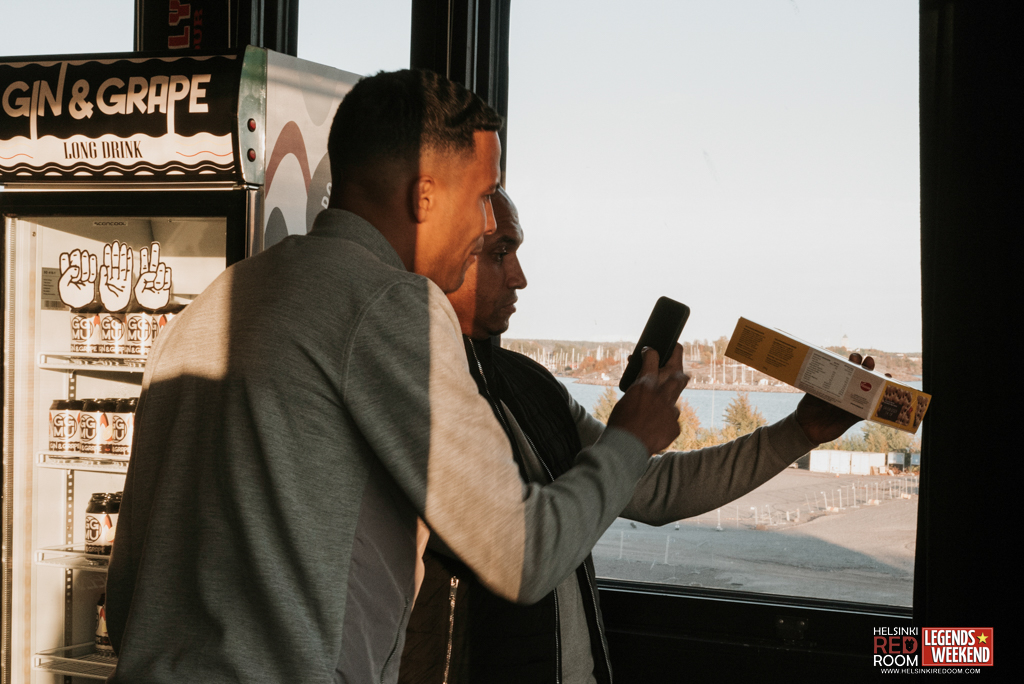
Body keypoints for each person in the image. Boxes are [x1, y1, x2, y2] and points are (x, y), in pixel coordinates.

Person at [104, 70, 687, 684]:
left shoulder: (210, 308)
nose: (486, 226)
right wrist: (631, 438)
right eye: (484, 196)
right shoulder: (391, 302)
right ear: (424, 197)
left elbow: (129, 592)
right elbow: (524, 554)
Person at [398, 187, 878, 684]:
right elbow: (525, 557)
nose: (520, 277)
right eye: (501, 252)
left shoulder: (530, 383)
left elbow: (653, 488)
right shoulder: (413, 393)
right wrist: (630, 437)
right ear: (444, 249)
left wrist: (799, 432)